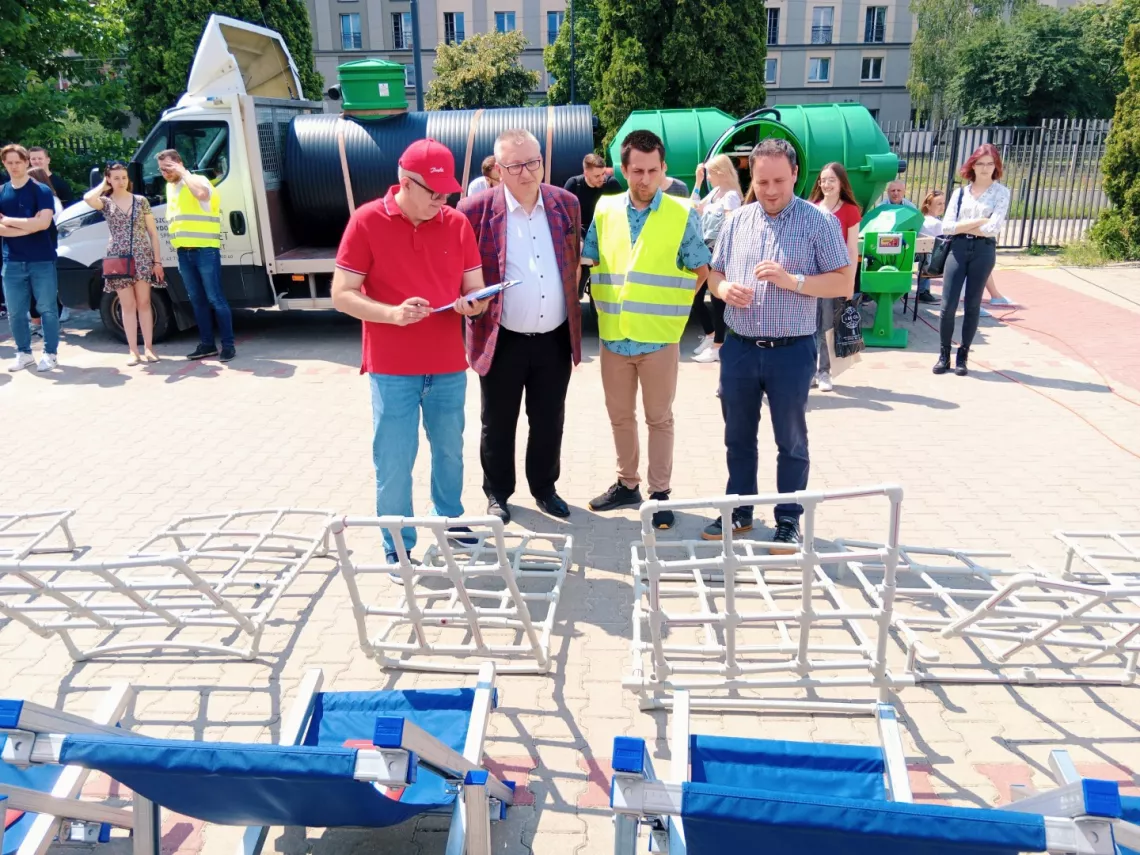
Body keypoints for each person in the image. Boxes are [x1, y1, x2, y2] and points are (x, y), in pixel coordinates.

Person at [331, 138, 490, 566]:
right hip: (392, 368)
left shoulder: (457, 223)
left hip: (448, 365)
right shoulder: (366, 221)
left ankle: (450, 521)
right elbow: (342, 294)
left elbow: (476, 289)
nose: (442, 201)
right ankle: (397, 545)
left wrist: (474, 304)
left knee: (450, 452)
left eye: (448, 192)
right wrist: (392, 314)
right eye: (434, 192)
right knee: (395, 460)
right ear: (405, 182)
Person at [706, 139, 854, 551]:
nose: (770, 190)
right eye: (762, 181)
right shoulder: (738, 220)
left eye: (779, 181)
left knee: (790, 438)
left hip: (791, 350)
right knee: (737, 435)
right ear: (751, 178)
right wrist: (724, 290)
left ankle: (788, 518)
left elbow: (843, 282)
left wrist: (794, 281)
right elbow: (714, 274)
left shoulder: (818, 222)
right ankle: (739, 509)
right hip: (740, 348)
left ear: (795, 175)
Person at [581, 129, 711, 530]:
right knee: (620, 417)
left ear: (664, 168)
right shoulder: (605, 210)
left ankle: (659, 494)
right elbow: (589, 261)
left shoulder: (681, 213)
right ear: (623, 169)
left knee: (659, 419)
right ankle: (627, 484)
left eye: (653, 171)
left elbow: (701, 269)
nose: (645, 179)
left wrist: (675, 309)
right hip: (615, 337)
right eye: (637, 171)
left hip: (658, 339)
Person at [458, 129, 583, 524]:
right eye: (515, 166)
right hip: (501, 338)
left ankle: (544, 487)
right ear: (498, 169)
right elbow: (461, 273)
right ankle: (497, 493)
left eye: (533, 162)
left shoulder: (566, 204)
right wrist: (468, 302)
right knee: (497, 422)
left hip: (554, 338)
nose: (526, 173)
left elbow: (573, 262)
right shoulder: (474, 210)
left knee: (549, 420)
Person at [934, 143, 1010, 377]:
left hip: (983, 251)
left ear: (996, 166)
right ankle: (944, 354)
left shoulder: (1001, 193)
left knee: (973, 304)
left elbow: (993, 228)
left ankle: (963, 355)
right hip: (957, 249)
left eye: (990, 164)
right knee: (948, 305)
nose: (985, 168)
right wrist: (979, 221)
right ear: (972, 165)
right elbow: (947, 227)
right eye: (980, 163)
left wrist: (964, 226)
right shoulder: (960, 194)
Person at [156, 148, 235, 361]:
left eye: (169, 167)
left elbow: (202, 195)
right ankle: (207, 344)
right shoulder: (170, 187)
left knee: (215, 298)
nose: (165, 173)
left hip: (205, 250)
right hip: (184, 253)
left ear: (180, 163)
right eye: (162, 169)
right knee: (197, 301)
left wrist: (183, 173)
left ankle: (228, 346)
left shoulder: (198, 180)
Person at [83, 162, 166, 364]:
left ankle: (148, 348)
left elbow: (153, 234)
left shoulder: (140, 201)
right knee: (127, 305)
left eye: (124, 177)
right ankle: (133, 351)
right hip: (118, 258)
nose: (121, 181)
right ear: (109, 179)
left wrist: (157, 261)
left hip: (142, 255)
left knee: (144, 303)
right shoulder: (106, 202)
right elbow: (88, 199)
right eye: (116, 178)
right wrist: (103, 185)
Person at [1, 143, 60, 372]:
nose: (14, 166)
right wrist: (30, 226)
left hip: (41, 259)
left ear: (26, 162)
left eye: (18, 162)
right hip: (12, 261)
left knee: (47, 309)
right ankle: (24, 353)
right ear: (4, 164)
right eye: (9, 163)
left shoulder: (41, 190)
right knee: (15, 312)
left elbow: (44, 223)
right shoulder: (1, 192)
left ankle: (50, 353)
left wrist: (9, 221)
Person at [807, 162, 862, 392]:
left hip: (835, 277)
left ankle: (824, 372)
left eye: (831, 180)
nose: (826, 184)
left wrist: (849, 282)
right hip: (811, 277)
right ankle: (809, 371)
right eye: (823, 180)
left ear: (841, 183)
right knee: (809, 326)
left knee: (828, 326)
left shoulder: (850, 210)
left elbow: (852, 249)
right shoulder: (811, 208)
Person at [689, 154, 742, 364]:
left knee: (717, 299)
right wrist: (698, 182)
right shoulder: (715, 193)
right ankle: (711, 336)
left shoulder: (730, 196)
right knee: (696, 297)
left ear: (721, 172)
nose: (708, 177)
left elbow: (732, 224)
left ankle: (719, 345)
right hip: (705, 250)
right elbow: (693, 207)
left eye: (710, 173)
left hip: (717, 251)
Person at [564, 152, 621, 300]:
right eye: (597, 176)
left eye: (603, 174)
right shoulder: (574, 185)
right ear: (586, 173)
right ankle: (573, 298)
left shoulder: (611, 185)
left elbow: (622, 214)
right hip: (580, 231)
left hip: (605, 231)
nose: (602, 178)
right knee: (577, 248)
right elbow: (563, 217)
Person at [25, 166, 70, 334]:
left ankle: (52, 323)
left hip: (49, 248)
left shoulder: (52, 200)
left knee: (47, 287)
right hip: (31, 249)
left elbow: (55, 225)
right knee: (32, 287)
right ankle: (36, 322)